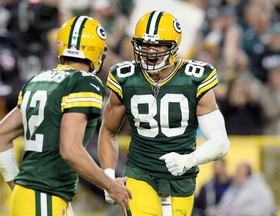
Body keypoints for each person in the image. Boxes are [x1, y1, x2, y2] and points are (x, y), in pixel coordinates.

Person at [98, 10, 230, 215]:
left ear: (174, 47)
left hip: (182, 176)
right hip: (140, 172)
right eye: (144, 44)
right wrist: (108, 176)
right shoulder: (126, 78)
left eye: (157, 45)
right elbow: (107, 130)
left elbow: (221, 143)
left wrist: (188, 161)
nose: (150, 51)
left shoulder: (194, 79)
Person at [0, 15, 131, 216]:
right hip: (45, 195)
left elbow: (2, 135)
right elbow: (70, 150)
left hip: (33, 196)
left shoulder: (38, 79)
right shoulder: (85, 81)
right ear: (96, 50)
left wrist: (16, 185)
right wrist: (110, 186)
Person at [209, 162, 275, 216]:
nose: (234, 174)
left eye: (238, 171)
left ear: (247, 174)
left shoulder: (258, 188)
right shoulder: (234, 188)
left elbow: (262, 209)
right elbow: (223, 206)